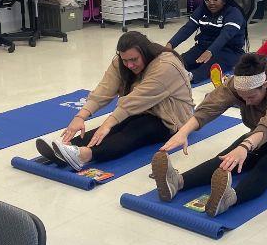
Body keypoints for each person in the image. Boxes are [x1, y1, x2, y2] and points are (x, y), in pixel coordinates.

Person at [151, 53, 267, 217]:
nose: (246, 102)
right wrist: (183, 132)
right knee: (225, 159)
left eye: (251, 96)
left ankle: (230, 199)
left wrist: (245, 147)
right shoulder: (238, 85)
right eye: (242, 97)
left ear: (265, 85)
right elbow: (210, 106)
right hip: (261, 139)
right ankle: (177, 182)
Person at [39, 31, 194, 171]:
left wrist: (108, 123)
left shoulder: (166, 66)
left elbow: (134, 100)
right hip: (142, 109)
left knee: (135, 130)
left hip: (171, 118)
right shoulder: (122, 61)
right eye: (125, 60)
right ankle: (68, 148)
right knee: (110, 129)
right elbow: (104, 90)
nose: (129, 65)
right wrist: (80, 116)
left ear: (145, 52)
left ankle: (84, 155)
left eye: (134, 60)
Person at [165, 0, 246, 82]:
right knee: (180, 61)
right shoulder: (203, 9)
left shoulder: (234, 13)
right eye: (207, 0)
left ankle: (190, 77)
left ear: (224, 0)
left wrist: (210, 51)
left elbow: (225, 35)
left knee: (210, 66)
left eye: (215, 0)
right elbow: (188, 28)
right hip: (203, 47)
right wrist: (170, 45)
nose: (211, 3)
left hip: (228, 50)